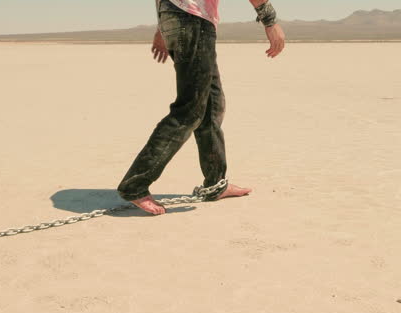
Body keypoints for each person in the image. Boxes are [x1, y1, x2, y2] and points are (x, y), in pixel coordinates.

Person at [116, 0, 286, 215]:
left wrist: (164, 25)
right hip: (192, 19)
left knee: (212, 104)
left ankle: (215, 184)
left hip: (181, 15)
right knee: (190, 109)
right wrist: (269, 20)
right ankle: (134, 185)